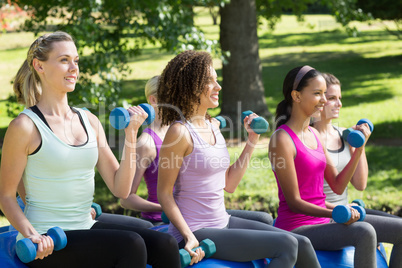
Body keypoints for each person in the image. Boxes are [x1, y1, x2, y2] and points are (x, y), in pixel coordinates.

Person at [0, 31, 180, 268]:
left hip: (86, 227)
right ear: (39, 66)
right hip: (48, 240)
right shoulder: (24, 126)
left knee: (165, 244)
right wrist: (32, 234)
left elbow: (121, 188)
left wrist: (130, 134)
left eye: (76, 61)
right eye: (64, 60)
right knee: (131, 244)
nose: (73, 68)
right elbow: (6, 196)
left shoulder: (89, 120)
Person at [156, 50, 321, 267]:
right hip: (198, 230)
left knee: (302, 243)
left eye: (217, 80)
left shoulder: (212, 126)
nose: (218, 87)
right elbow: (164, 193)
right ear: (192, 86)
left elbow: (230, 184)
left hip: (223, 221)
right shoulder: (179, 133)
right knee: (287, 245)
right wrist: (188, 236)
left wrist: (252, 139)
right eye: (210, 81)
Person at [269, 65, 402, 268]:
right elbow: (295, 202)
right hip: (297, 227)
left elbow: (338, 186)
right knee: (364, 232)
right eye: (317, 94)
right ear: (296, 96)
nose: (324, 100)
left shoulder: (314, 135)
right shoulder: (282, 139)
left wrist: (359, 149)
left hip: (324, 221)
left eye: (325, 94)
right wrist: (336, 213)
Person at [120, 76, 273, 226]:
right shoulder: (146, 143)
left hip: (197, 213)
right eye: (172, 95)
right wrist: (164, 207)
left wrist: (247, 139)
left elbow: (228, 184)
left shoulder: (187, 130)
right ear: (154, 100)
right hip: (163, 220)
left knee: (264, 219)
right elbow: (126, 198)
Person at [313, 72, 401, 218]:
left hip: (348, 211)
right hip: (331, 214)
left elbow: (360, 184)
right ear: (319, 99)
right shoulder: (309, 138)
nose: (339, 104)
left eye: (339, 98)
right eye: (332, 98)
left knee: (398, 224)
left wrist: (361, 145)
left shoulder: (345, 135)